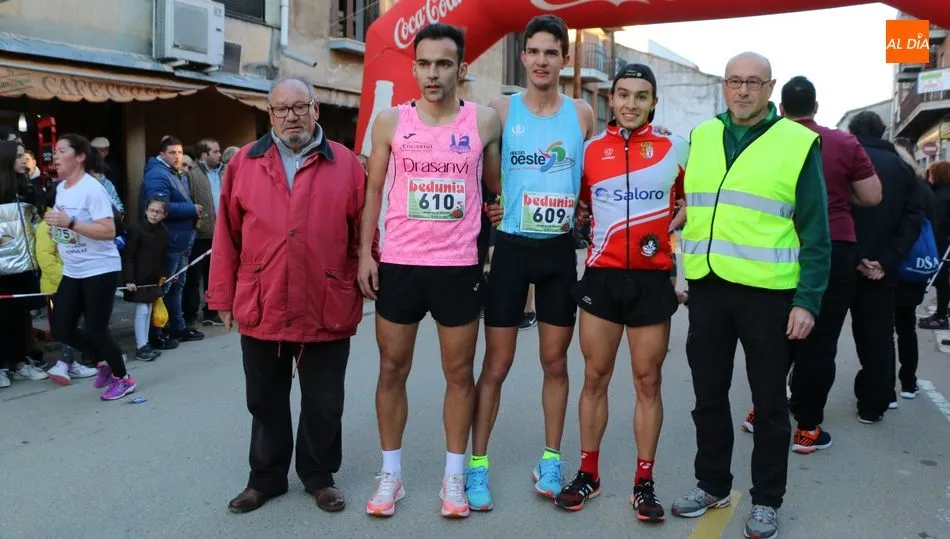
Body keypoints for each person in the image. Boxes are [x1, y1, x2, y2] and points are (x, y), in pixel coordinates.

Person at [670, 52, 831, 539]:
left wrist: (807, 300)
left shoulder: (797, 142)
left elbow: (816, 231)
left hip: (768, 295)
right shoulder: (702, 136)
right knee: (708, 395)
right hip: (709, 288)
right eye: (735, 81)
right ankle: (712, 484)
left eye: (754, 82)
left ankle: (766, 500)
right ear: (724, 85)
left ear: (770, 88)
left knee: (769, 405)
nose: (743, 90)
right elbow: (689, 204)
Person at [358, 22, 502, 518]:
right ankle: (391, 475)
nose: (433, 73)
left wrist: (499, 219)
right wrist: (365, 254)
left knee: (458, 374)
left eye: (444, 63)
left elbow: (496, 189)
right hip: (400, 263)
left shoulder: (484, 122)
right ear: (414, 67)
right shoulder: (390, 122)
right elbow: (373, 190)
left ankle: (454, 477)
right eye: (424, 63)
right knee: (391, 369)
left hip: (457, 266)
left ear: (462, 68)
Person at [210, 76, 368, 514]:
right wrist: (221, 296)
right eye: (281, 109)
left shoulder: (346, 163)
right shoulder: (245, 162)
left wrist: (367, 275)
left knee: (325, 401)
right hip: (264, 296)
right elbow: (226, 235)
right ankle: (265, 477)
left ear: (316, 109)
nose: (291, 116)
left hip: (326, 297)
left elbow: (363, 233)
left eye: (299, 107)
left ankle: (319, 475)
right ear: (270, 114)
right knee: (264, 399)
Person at [467, 14, 594, 510]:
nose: (542, 61)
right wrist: (491, 202)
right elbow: (479, 170)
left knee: (555, 362)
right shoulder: (500, 110)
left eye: (551, 52)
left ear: (564, 59)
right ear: (523, 57)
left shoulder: (582, 114)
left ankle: (551, 459)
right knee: (496, 364)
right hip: (513, 250)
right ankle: (477, 464)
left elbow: (588, 177)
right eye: (534, 52)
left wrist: (582, 208)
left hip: (558, 252)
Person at [552, 63, 687, 522]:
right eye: (623, 94)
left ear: (653, 102)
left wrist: (673, 223)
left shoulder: (674, 148)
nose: (631, 104)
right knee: (595, 377)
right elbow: (575, 202)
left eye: (641, 96)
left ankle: (644, 482)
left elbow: (691, 200)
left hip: (651, 279)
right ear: (611, 99)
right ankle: (588, 473)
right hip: (602, 277)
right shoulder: (590, 151)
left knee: (648, 381)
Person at [740, 76, 881, 453]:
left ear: (782, 108)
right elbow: (872, 195)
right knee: (821, 338)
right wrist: (839, 193)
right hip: (834, 245)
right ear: (816, 108)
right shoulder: (843, 143)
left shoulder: (765, 140)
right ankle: (807, 428)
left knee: (774, 335)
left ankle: (760, 410)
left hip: (779, 245)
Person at [847, 110, 923, 423]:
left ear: (853, 132)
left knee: (820, 338)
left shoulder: (841, 159)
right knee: (877, 338)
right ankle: (873, 405)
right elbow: (913, 217)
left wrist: (854, 257)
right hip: (881, 268)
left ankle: (807, 409)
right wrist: (887, 260)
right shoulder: (902, 168)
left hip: (841, 262)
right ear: (882, 132)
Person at [44, 134, 133, 400]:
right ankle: (104, 359)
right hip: (73, 269)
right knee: (61, 327)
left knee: (96, 329)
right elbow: (66, 227)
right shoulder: (61, 188)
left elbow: (108, 230)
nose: (56, 156)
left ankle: (123, 378)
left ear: (80, 157)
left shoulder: (92, 189)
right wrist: (55, 229)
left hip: (100, 268)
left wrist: (70, 223)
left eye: (62, 151)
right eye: (55, 151)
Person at [141, 136, 204, 344]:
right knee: (164, 288)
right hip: (169, 240)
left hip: (181, 239)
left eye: (179, 152)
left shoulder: (172, 172)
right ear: (162, 154)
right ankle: (157, 333)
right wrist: (191, 209)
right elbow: (158, 206)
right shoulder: (157, 174)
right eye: (172, 153)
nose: (177, 157)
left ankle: (177, 327)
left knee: (176, 287)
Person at [892, 156, 942, 401]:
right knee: (906, 326)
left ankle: (885, 390)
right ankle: (909, 383)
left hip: (889, 264)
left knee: (881, 329)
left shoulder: (891, 185)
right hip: (916, 266)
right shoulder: (925, 190)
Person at [35, 182, 97, 378]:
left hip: (72, 280)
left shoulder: (65, 222)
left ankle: (68, 363)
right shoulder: (47, 226)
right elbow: (46, 258)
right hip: (58, 285)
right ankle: (63, 363)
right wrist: (69, 276)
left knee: (75, 323)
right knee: (67, 325)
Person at [0, 140, 49, 388]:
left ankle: (19, 363)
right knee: (3, 317)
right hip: (2, 268)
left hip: (25, 265)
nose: (24, 159)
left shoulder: (27, 188)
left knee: (20, 317)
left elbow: (37, 221)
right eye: (19, 156)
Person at [123, 196, 169, 361]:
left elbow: (162, 256)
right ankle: (141, 346)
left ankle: (145, 343)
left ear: (164, 215)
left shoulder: (163, 232)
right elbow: (129, 256)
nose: (154, 214)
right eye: (152, 210)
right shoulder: (137, 230)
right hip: (139, 278)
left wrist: (163, 275)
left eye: (158, 212)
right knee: (142, 310)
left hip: (153, 278)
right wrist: (129, 279)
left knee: (149, 309)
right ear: (146, 210)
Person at [184, 138, 223, 327]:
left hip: (220, 233)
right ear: (203, 155)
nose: (219, 155)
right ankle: (190, 314)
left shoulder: (223, 172)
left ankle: (211, 311)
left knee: (214, 276)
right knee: (194, 276)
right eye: (215, 152)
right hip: (200, 233)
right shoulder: (193, 174)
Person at [919, 160, 950, 330]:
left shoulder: (939, 196)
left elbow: (938, 222)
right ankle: (941, 314)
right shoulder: (943, 193)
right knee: (942, 279)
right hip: (944, 241)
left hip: (940, 243)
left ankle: (941, 315)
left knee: (940, 279)